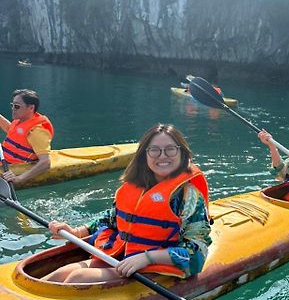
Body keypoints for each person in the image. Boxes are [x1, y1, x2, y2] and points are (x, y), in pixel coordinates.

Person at [43, 123, 212, 283]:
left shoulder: (188, 196)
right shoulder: (134, 187)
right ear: (144, 155)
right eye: (154, 150)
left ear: (182, 153)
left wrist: (147, 257)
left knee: (78, 277)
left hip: (152, 266)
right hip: (121, 257)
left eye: (170, 150)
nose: (162, 156)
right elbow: (112, 218)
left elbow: (196, 252)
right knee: (59, 274)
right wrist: (76, 232)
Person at [0, 89, 54, 185]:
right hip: (3, 159)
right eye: (12, 105)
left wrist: (20, 179)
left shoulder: (37, 131)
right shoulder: (21, 120)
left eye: (17, 106)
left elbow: (46, 163)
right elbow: (11, 131)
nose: (13, 109)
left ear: (31, 108)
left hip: (12, 166)